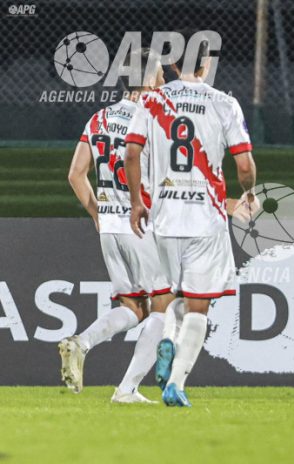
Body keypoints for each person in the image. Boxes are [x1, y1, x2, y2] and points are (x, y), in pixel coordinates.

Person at [124, 35, 256, 407]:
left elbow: (131, 154)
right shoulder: (224, 102)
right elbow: (245, 165)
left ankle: (167, 337)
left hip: (165, 218)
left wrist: (136, 203)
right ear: (206, 64)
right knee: (199, 307)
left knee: (170, 296)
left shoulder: (151, 100)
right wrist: (248, 192)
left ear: (173, 64)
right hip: (206, 220)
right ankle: (176, 384)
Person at [60, 49, 176, 403]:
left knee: (133, 307)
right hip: (140, 223)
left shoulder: (99, 118)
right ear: (150, 79)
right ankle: (127, 389)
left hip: (110, 226)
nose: (165, 80)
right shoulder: (152, 119)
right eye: (160, 74)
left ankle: (81, 342)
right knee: (165, 304)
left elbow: (76, 175)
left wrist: (97, 213)